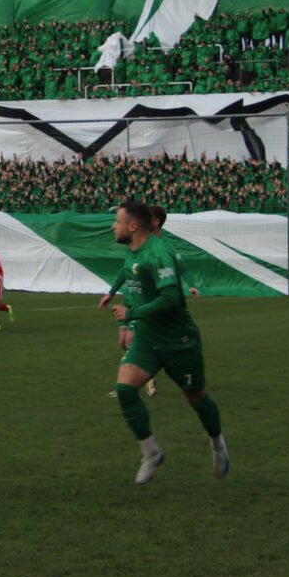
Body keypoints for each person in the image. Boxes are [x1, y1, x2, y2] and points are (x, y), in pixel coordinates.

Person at [108, 201, 229, 484]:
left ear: (133, 226)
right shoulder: (132, 251)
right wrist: (126, 322)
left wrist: (132, 314)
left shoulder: (158, 252)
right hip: (148, 339)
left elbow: (170, 298)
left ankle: (217, 443)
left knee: (197, 400)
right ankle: (151, 452)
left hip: (179, 341)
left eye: (117, 221)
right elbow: (133, 287)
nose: (113, 225)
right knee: (124, 390)